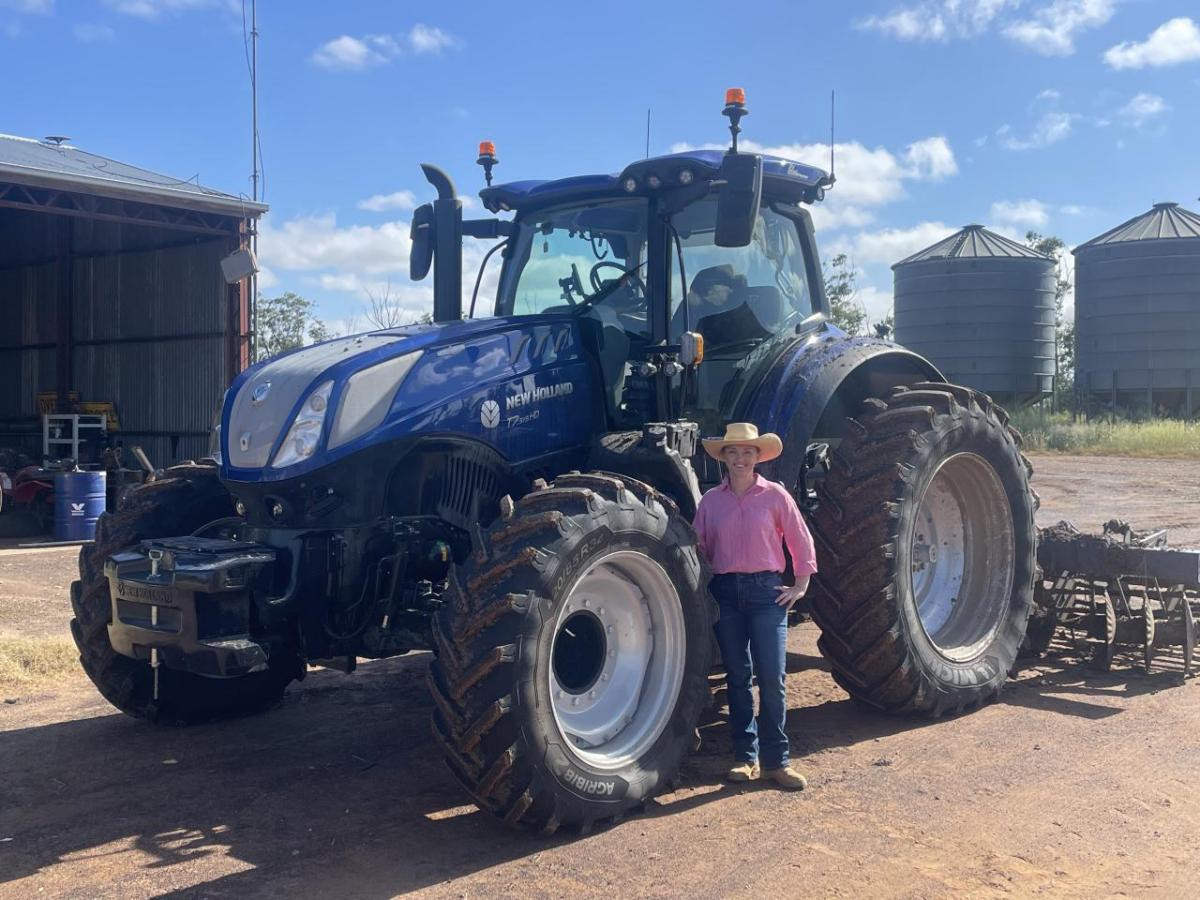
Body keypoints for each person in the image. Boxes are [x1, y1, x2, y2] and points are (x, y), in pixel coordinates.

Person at [692, 422, 818, 790]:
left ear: (758, 457)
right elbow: (698, 548)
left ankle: (776, 762)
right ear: (725, 459)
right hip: (726, 593)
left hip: (767, 594)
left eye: (748, 452)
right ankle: (744, 758)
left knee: (772, 679)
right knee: (737, 677)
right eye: (734, 452)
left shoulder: (775, 496)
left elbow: (799, 537)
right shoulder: (711, 502)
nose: (741, 458)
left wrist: (801, 584)